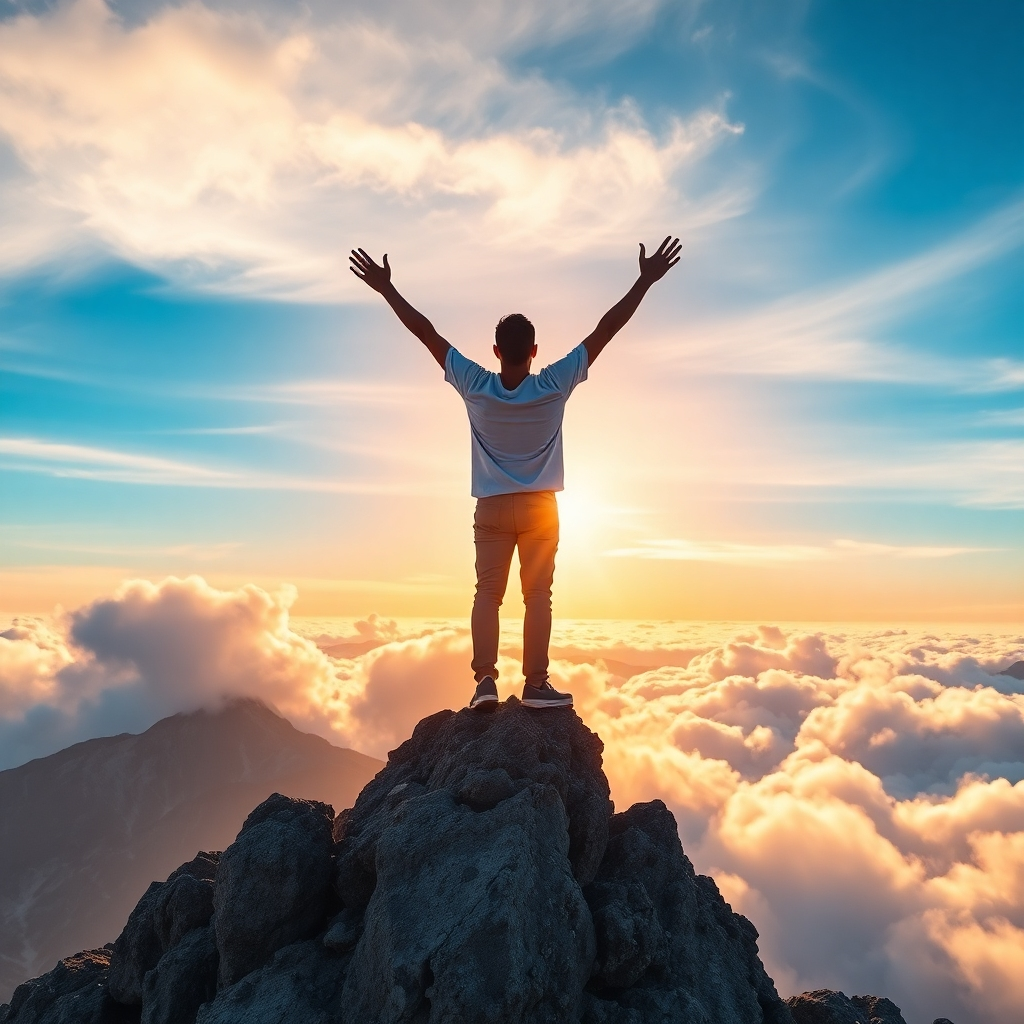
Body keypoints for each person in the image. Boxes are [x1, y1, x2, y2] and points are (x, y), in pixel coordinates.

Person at [349, 237, 681, 711]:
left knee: (488, 593)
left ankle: (484, 682)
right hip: (541, 509)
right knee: (537, 596)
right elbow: (606, 329)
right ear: (533, 351)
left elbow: (427, 334)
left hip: (490, 509)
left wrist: (387, 289)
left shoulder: (476, 386)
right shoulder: (553, 384)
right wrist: (644, 281)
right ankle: (536, 685)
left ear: (496, 350)